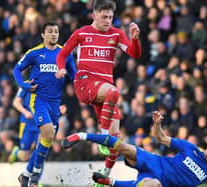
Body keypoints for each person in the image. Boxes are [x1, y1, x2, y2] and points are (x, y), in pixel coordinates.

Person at [55, 0, 141, 181]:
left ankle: (104, 177)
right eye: (104, 16)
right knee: (114, 93)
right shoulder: (81, 33)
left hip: (104, 88)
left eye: (110, 17)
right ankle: (101, 137)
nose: (108, 20)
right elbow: (62, 54)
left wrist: (134, 38)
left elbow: (134, 54)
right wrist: (61, 68)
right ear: (94, 15)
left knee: (116, 141)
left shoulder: (116, 34)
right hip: (85, 83)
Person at [61, 111, 207, 187]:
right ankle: (81, 135)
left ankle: (111, 181)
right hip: (155, 161)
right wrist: (157, 123)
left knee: (151, 186)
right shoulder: (190, 148)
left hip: (160, 181)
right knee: (125, 147)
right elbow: (160, 137)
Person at [13, 21, 76, 187]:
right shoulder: (34, 53)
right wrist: (24, 85)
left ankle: (25, 174)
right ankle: (34, 176)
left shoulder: (65, 53)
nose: (54, 34)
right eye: (50, 31)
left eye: (56, 31)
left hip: (55, 103)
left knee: (46, 140)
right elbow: (16, 70)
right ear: (43, 35)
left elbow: (74, 75)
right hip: (39, 100)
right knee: (48, 135)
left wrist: (77, 79)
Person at [8, 84, 40, 163]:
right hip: (27, 124)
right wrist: (25, 112)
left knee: (40, 148)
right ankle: (16, 152)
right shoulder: (25, 84)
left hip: (40, 122)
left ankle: (36, 172)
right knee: (24, 156)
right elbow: (16, 102)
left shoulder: (46, 83)